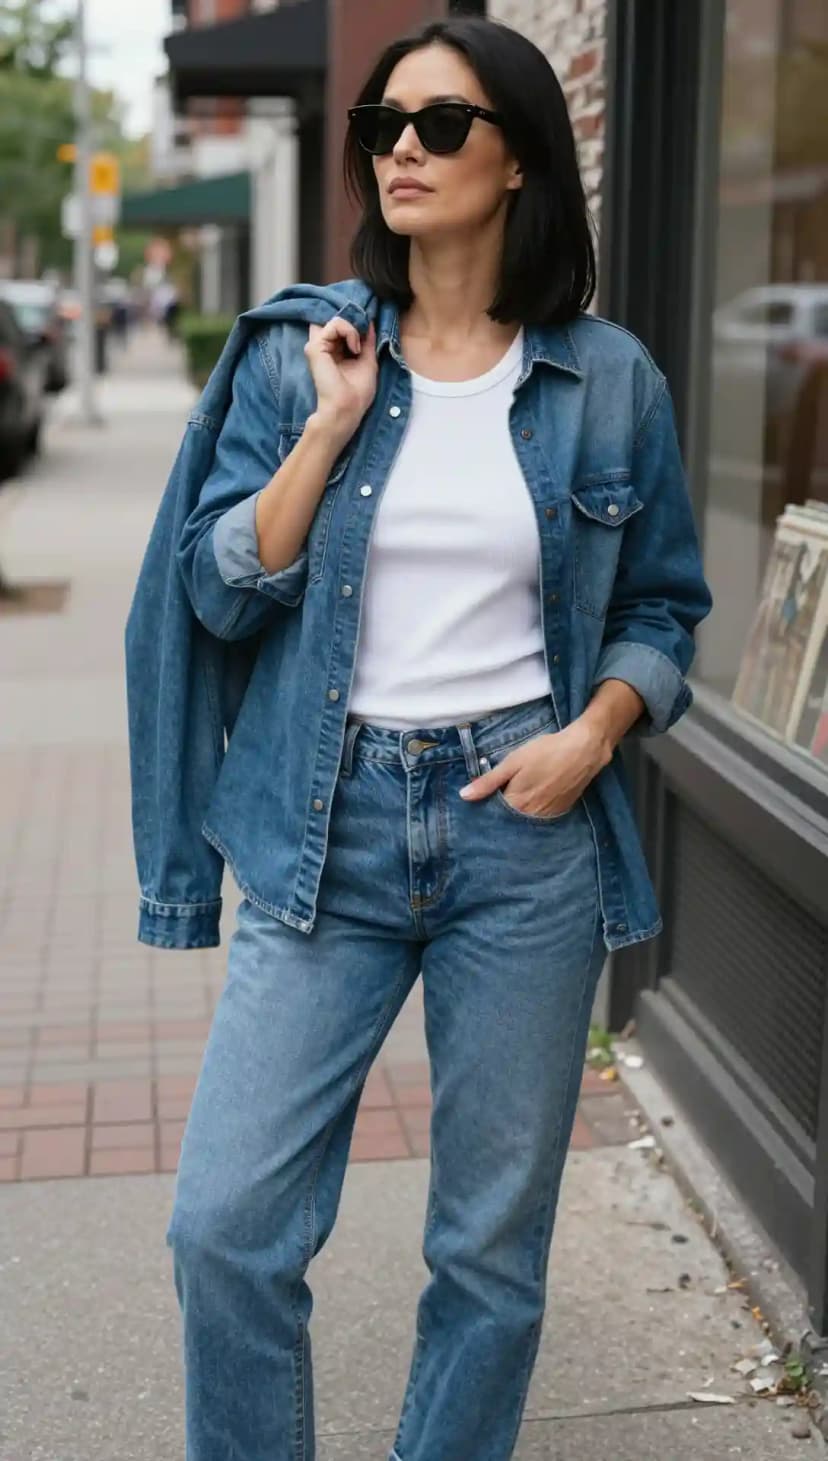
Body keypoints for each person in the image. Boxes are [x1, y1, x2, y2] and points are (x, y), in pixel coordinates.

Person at [132, 14, 712, 1460]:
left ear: (516, 159)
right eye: (386, 123)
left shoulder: (608, 382)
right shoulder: (297, 355)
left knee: (489, 1257)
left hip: (525, 824)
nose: (402, 146)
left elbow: (664, 606)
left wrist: (596, 733)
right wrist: (328, 430)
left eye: (442, 124)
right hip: (325, 825)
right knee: (226, 1228)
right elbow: (213, 587)